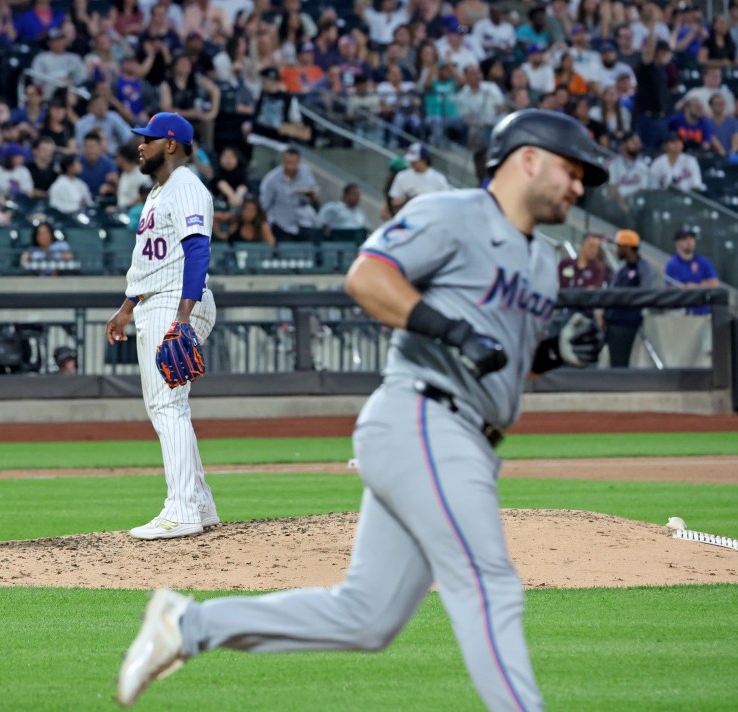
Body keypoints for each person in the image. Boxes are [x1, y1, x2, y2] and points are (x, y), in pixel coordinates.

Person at [117, 109, 609, 710]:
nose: (580, 185)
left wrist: (554, 352)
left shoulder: (542, 261)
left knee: (366, 617)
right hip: (424, 418)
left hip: (467, 436)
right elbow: (367, 278)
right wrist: (452, 332)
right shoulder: (449, 212)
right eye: (572, 169)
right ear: (527, 158)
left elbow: (506, 357)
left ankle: (188, 626)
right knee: (490, 586)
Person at [105, 112, 218, 540]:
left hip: (176, 302)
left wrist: (183, 318)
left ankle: (182, 508)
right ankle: (200, 503)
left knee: (166, 405)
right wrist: (127, 306)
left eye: (148, 139)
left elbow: (197, 251)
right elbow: (152, 260)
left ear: (170, 144)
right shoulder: (157, 193)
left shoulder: (186, 185)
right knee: (171, 404)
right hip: (158, 299)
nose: (140, 145)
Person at [604, 229, 656, 368]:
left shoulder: (644, 267)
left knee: (621, 361)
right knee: (613, 360)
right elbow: (611, 292)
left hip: (627, 322)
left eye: (619, 246)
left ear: (627, 247)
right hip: (612, 320)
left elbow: (646, 293)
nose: (617, 249)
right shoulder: (622, 268)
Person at [258, 147, 319, 242]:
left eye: (293, 162)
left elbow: (315, 196)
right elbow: (264, 206)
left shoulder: (306, 173)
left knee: (310, 248)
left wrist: (311, 195)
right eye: (287, 162)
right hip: (281, 224)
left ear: (298, 161)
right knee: (286, 251)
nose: (290, 165)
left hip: (303, 221)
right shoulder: (272, 179)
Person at [664, 228, 719, 315]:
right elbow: (673, 287)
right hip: (682, 313)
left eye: (692, 239)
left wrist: (694, 286)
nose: (690, 242)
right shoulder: (672, 264)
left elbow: (714, 283)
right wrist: (702, 285)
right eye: (685, 239)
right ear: (677, 243)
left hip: (704, 312)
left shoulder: (703, 262)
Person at [387, 143, 451, 210]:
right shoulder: (402, 176)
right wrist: (407, 199)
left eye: (415, 161)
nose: (412, 163)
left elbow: (446, 203)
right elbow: (393, 202)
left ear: (424, 160)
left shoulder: (438, 179)